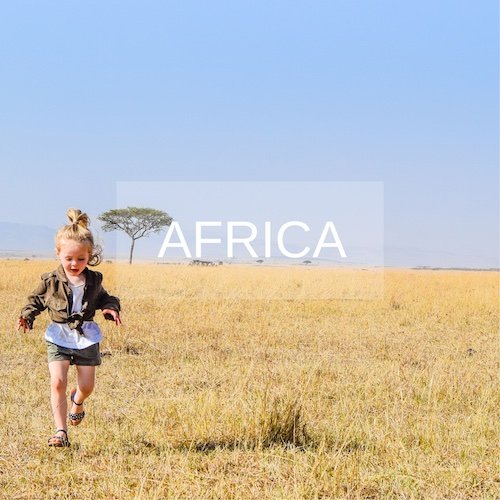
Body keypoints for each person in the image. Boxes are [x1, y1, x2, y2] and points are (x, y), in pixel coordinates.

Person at [17, 208, 122, 447]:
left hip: (86, 337)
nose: (74, 264)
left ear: (89, 255)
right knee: (57, 382)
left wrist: (110, 308)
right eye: (69, 259)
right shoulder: (50, 280)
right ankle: (60, 432)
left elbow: (107, 297)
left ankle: (78, 399)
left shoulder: (95, 280)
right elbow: (36, 301)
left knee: (87, 386)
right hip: (58, 335)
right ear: (58, 254)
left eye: (81, 259)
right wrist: (27, 315)